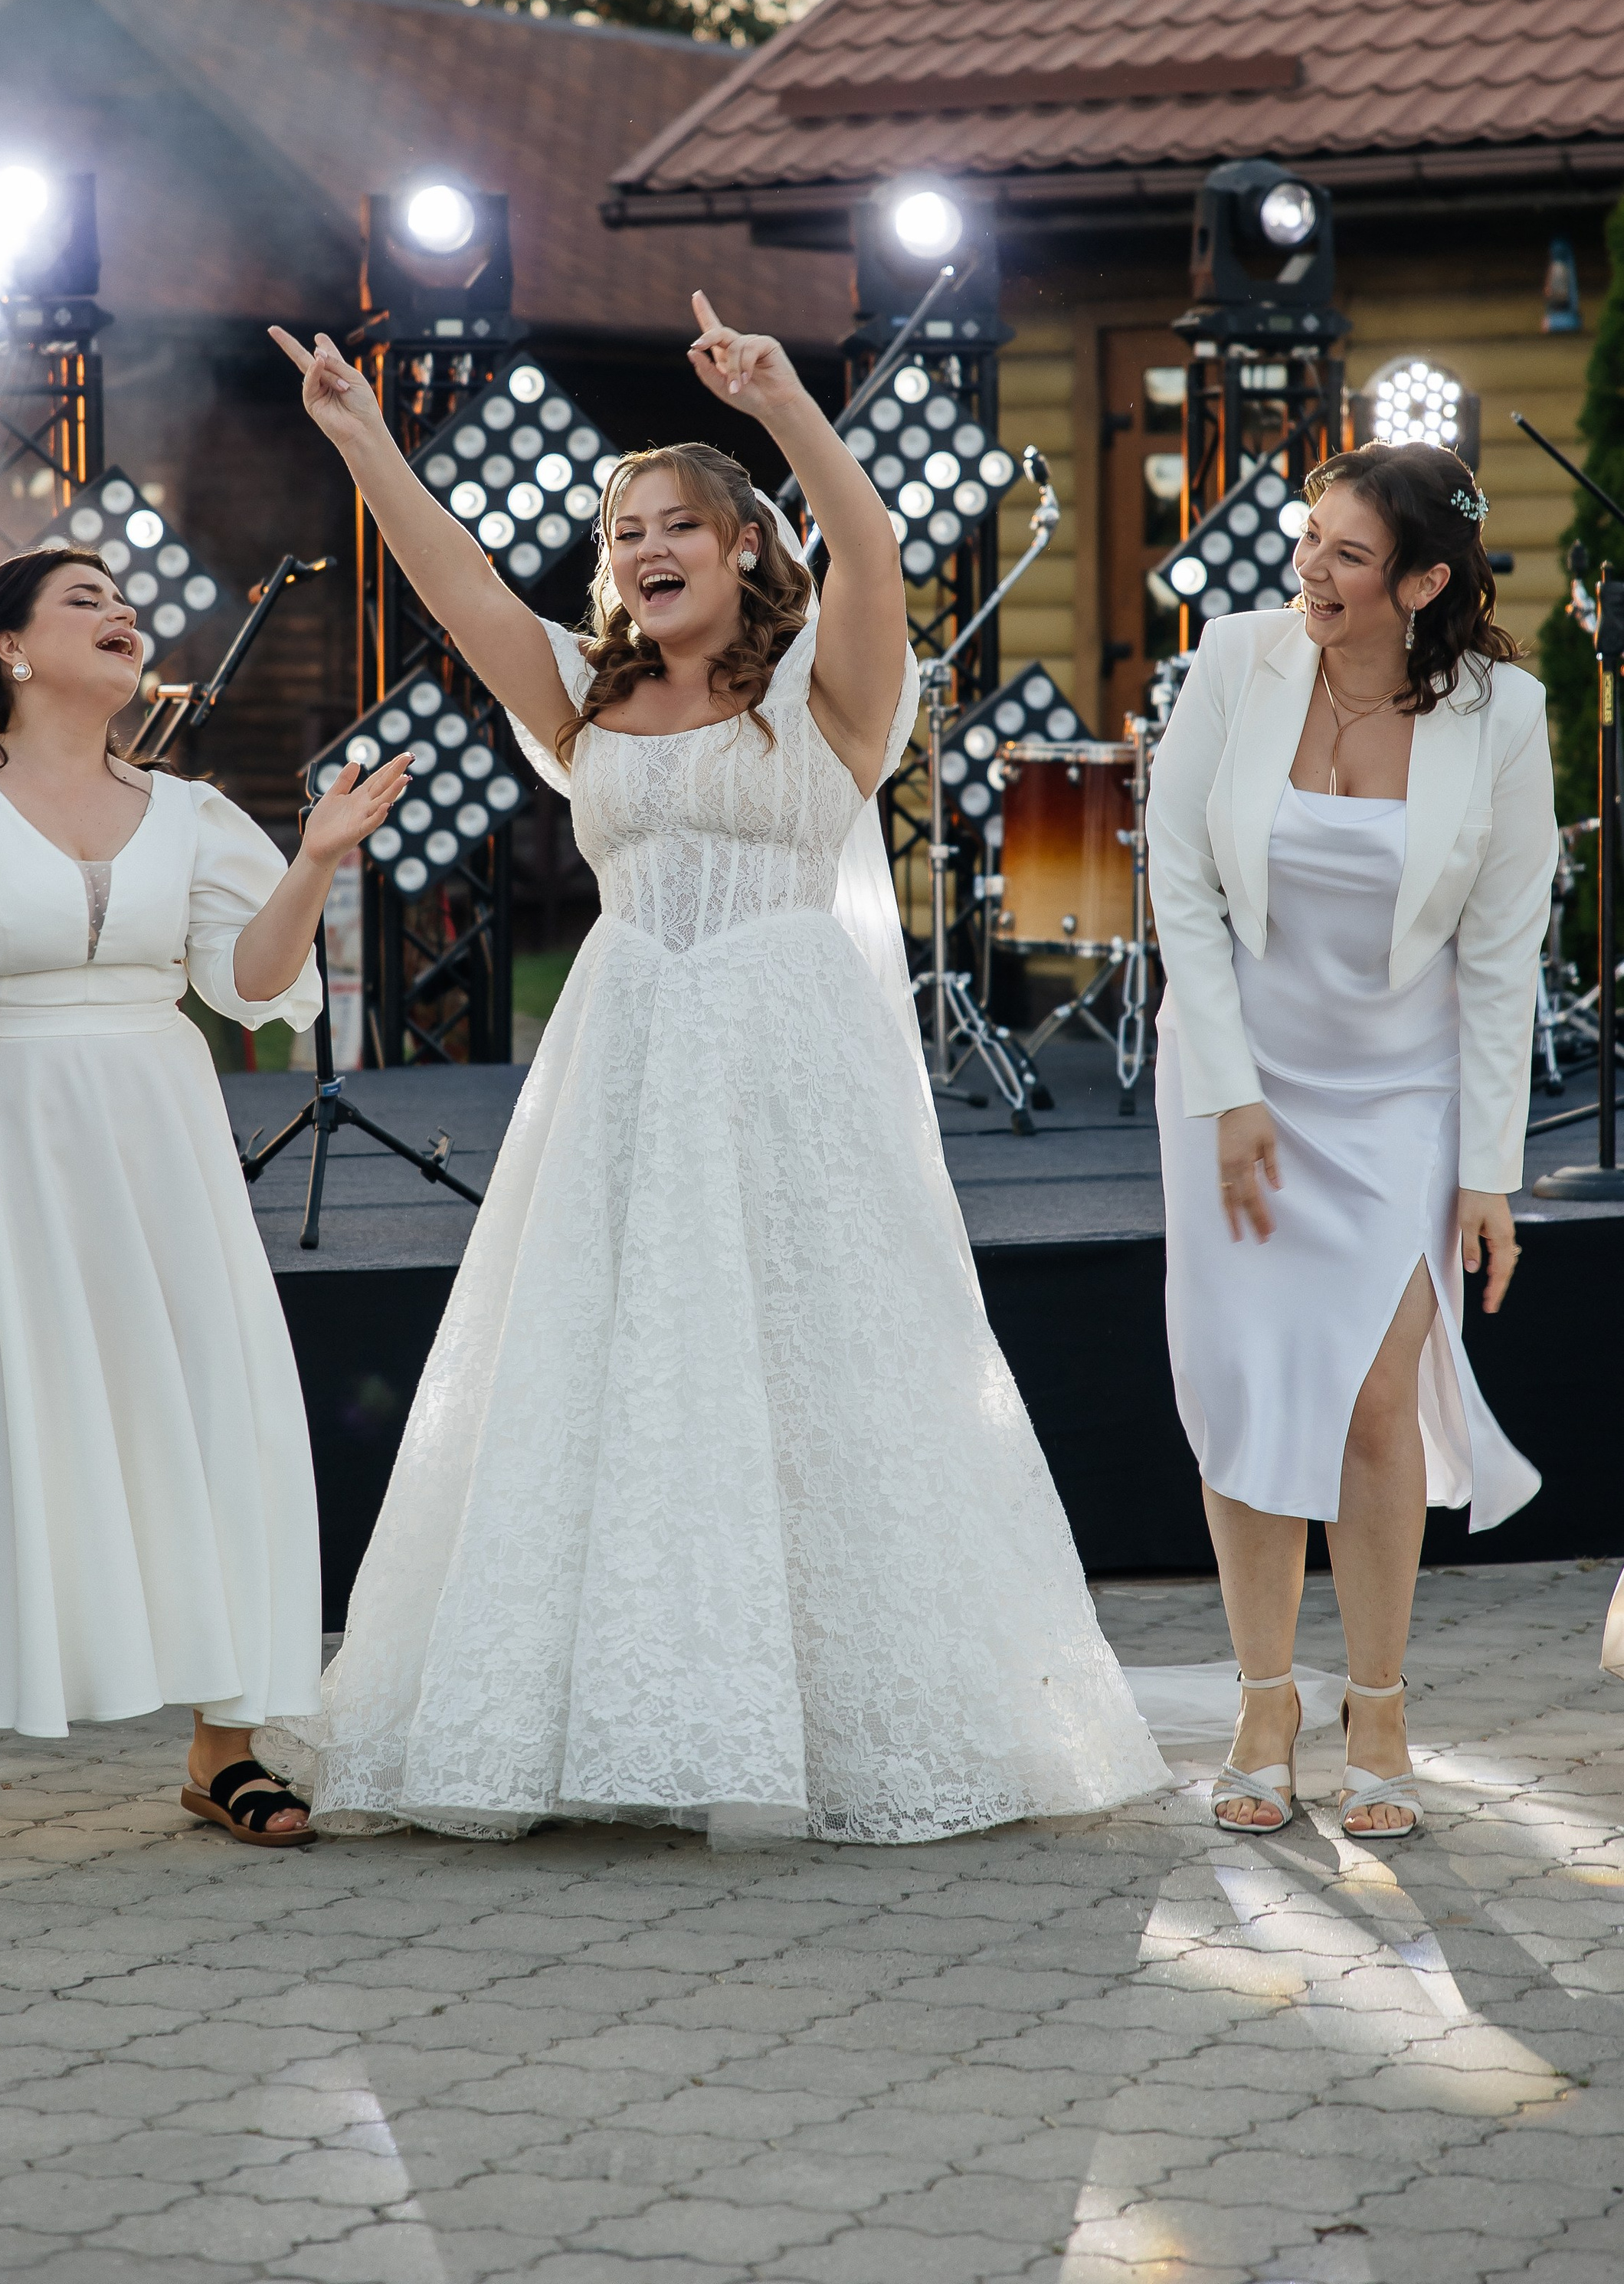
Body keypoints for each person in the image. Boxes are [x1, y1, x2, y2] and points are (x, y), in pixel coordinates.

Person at [257, 301, 1166, 1845]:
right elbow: (461, 585)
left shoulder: (824, 690)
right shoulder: (585, 698)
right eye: (623, 534)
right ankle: (599, 1708)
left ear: (746, 547)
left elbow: (871, 550)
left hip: (783, 1063)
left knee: (809, 1364)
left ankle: (820, 1707)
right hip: (620, 1061)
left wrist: (783, 405)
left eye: (678, 524)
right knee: (609, 1364)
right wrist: (360, 440)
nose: (645, 550)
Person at [0, 544, 406, 1872]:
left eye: (126, 602)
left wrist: (316, 862)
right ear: (11, 647)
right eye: (85, 601)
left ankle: (225, 1752)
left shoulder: (192, 811)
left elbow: (248, 982)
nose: (123, 614)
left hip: (159, 1128)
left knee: (207, 1400)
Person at [1146, 442, 1556, 1840]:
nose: (1310, 569)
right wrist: (1229, 1091)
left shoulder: (1505, 715)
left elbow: (1501, 957)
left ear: (1425, 583)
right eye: (1309, 537)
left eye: (1348, 555)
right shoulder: (1235, 659)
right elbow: (1179, 881)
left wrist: (1487, 1170)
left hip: (1400, 1096)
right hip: (1234, 1079)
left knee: (1378, 1403)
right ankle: (1266, 1703)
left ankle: (1377, 1706)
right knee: (1248, 1382)